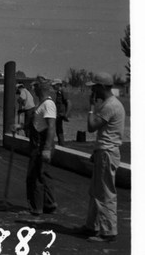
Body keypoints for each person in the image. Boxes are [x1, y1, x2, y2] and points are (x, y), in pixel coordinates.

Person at [77, 72, 125, 242]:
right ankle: (92, 226)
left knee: (104, 193)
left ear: (102, 87)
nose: (93, 90)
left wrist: (91, 108)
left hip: (107, 152)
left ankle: (109, 231)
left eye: (96, 87)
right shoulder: (111, 104)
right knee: (96, 191)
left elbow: (91, 127)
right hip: (104, 151)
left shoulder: (110, 106)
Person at [14, 77, 58, 216]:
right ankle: (49, 203)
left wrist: (46, 148)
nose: (34, 90)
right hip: (37, 144)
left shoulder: (48, 105)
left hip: (41, 145)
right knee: (43, 174)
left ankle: (37, 207)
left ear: (42, 88)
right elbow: (35, 123)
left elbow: (51, 127)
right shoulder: (41, 104)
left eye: (36, 87)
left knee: (35, 176)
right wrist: (21, 126)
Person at [51, 79, 72, 146]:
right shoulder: (58, 92)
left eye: (54, 85)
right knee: (58, 129)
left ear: (58, 85)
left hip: (61, 114)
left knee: (57, 128)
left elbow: (69, 103)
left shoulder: (63, 91)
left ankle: (61, 144)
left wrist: (66, 114)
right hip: (58, 113)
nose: (53, 87)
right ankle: (61, 143)